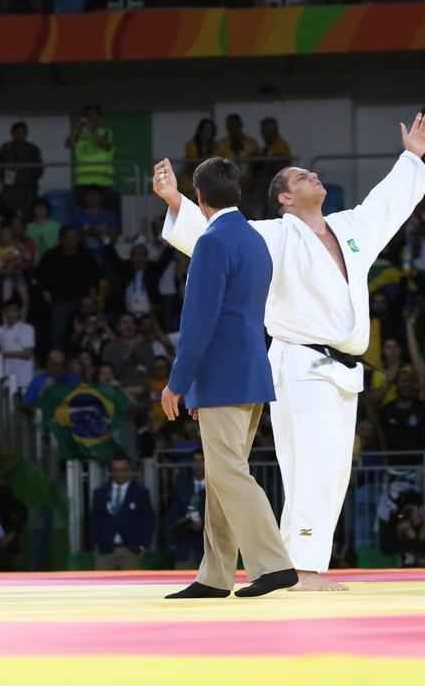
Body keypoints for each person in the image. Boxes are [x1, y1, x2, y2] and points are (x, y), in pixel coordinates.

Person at [154, 113, 425, 590]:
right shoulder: (273, 235)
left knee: (333, 469)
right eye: (303, 176)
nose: (314, 176)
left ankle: (294, 566)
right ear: (284, 196)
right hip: (299, 362)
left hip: (343, 369)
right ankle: (296, 568)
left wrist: (412, 158)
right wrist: (176, 200)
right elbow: (214, 238)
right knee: (308, 465)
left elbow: (388, 206)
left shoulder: (350, 230)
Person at [159, 157, 299, 599]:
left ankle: (273, 564)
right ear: (236, 194)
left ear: (199, 197)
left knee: (228, 474)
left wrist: (178, 383)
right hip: (250, 371)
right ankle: (215, 574)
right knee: (222, 477)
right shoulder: (254, 240)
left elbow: (199, 321)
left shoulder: (212, 242)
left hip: (222, 375)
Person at [89, 455, 154, 570]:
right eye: (116, 470)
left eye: (123, 470)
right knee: (103, 586)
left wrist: (143, 545)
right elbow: (94, 520)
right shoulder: (100, 493)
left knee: (131, 586)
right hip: (105, 550)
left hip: (131, 550)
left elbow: (148, 520)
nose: (119, 474)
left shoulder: (141, 493)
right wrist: (96, 543)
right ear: (110, 472)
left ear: (129, 471)